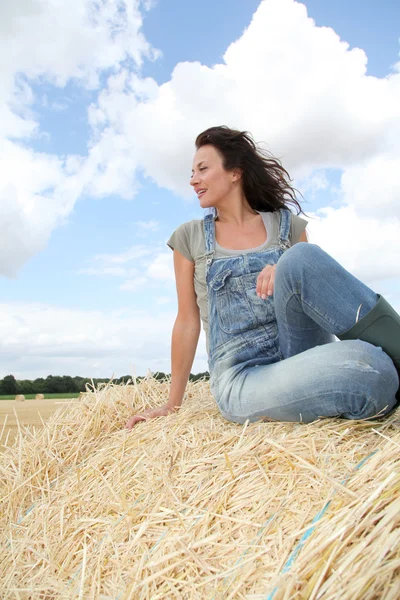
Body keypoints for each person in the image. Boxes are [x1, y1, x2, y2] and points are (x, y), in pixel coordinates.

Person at [126, 126, 400, 429]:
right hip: (243, 377)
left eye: (203, 169)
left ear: (235, 173)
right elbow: (187, 322)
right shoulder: (189, 237)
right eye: (192, 172)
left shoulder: (288, 227)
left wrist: (283, 268)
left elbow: (316, 302)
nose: (193, 180)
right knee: (371, 368)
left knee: (299, 259)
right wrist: (171, 405)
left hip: (301, 352)